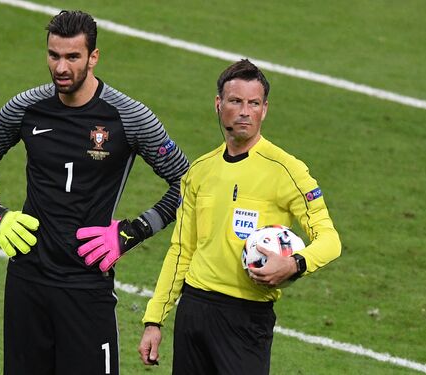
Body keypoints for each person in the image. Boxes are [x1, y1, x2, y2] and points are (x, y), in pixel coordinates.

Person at [0, 10, 189, 375]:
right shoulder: (25, 107)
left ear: (93, 57)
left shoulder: (128, 117)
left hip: (86, 285)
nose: (61, 67)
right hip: (27, 280)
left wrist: (132, 232)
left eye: (72, 57)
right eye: (54, 55)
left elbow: (188, 183)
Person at [138, 59, 341, 375]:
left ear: (264, 110)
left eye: (253, 103)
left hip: (246, 317)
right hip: (194, 310)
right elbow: (180, 250)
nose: (245, 111)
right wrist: (154, 319)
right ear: (219, 105)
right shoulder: (199, 172)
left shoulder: (288, 171)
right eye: (236, 101)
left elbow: (330, 240)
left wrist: (294, 263)